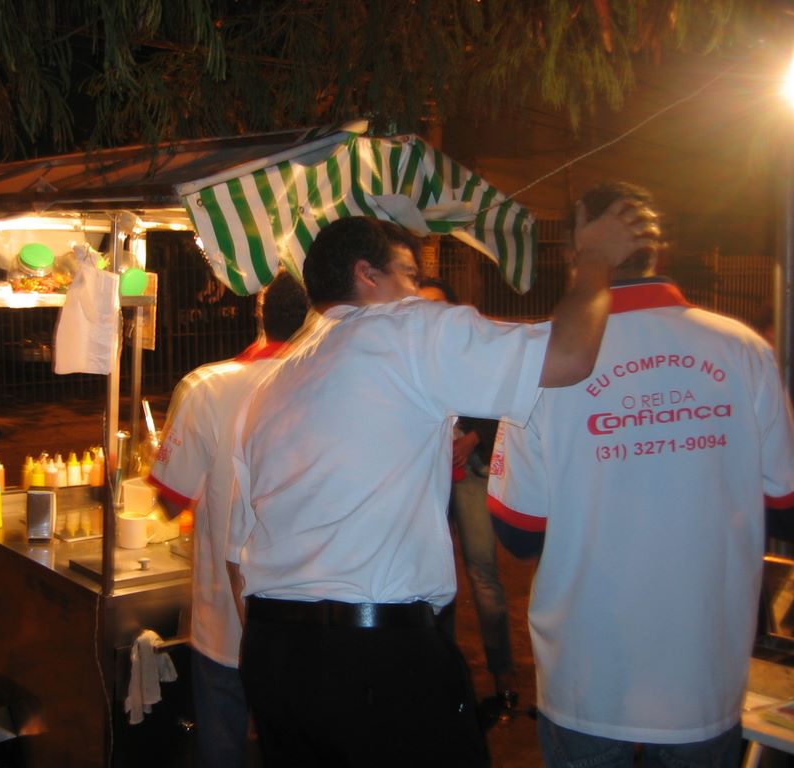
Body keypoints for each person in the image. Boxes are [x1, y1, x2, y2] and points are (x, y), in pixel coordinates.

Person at [226, 206, 657, 768]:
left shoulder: (272, 383)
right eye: (408, 274)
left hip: (273, 652)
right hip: (374, 656)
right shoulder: (405, 327)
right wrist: (595, 259)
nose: (419, 290)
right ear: (366, 275)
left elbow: (239, 552)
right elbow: (570, 355)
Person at [486, 181, 794, 768]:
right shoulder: (744, 350)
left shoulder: (542, 362)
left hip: (587, 678)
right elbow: (785, 506)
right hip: (703, 676)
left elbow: (518, 532)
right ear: (659, 248)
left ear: (576, 248)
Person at [147, 270, 310, 768]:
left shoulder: (208, 387)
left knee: (222, 741)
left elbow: (171, 499)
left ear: (258, 314)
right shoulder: (332, 387)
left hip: (224, 617)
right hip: (306, 615)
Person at [417, 277, 520, 725]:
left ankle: (504, 677)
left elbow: (502, 406)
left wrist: (474, 436)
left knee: (483, 573)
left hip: (471, 471)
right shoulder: (408, 355)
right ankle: (445, 679)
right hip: (428, 477)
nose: (431, 315)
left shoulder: (473, 352)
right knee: (433, 579)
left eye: (438, 306)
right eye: (422, 307)